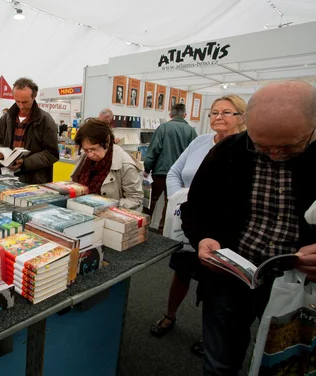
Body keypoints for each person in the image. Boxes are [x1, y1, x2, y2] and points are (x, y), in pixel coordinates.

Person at [180, 81, 316, 375]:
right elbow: (195, 207)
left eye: (290, 146)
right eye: (262, 146)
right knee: (220, 362)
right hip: (230, 276)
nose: (275, 154)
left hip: (301, 285)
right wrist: (203, 238)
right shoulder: (229, 150)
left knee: (291, 364)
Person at [150, 95, 247, 357]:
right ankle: (170, 315)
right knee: (180, 272)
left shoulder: (247, 149)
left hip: (220, 230)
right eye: (214, 112)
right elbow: (173, 172)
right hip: (189, 223)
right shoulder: (199, 141)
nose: (218, 117)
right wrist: (180, 198)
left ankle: (209, 335)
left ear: (241, 117)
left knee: (215, 285)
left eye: (227, 112)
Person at [0, 77, 59, 184]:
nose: (21, 106)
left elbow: (52, 154)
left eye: (25, 102)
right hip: (5, 176)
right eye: (17, 101)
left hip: (33, 180)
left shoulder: (45, 120)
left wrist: (25, 163)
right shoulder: (6, 118)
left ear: (34, 97)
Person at [143, 103, 197, 233]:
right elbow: (194, 154)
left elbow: (154, 149)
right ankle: (163, 232)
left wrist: (147, 168)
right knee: (170, 203)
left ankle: (142, 227)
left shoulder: (163, 128)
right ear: (185, 115)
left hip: (160, 172)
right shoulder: (191, 131)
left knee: (150, 200)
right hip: (179, 175)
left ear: (170, 115)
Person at [71, 118, 143, 209]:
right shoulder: (84, 158)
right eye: (86, 150)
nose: (90, 154)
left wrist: (108, 205)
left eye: (94, 149)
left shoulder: (125, 165)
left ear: (106, 141)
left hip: (108, 217)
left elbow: (135, 199)